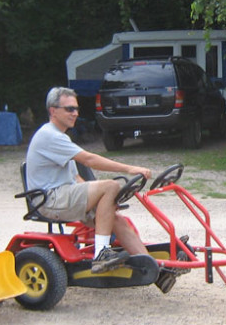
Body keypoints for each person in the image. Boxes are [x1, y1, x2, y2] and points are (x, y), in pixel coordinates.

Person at [26, 87, 152, 274]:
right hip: (49, 200)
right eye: (69, 109)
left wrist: (105, 203)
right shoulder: (49, 136)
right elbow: (89, 160)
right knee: (111, 185)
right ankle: (101, 253)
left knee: (117, 220)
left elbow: (75, 177)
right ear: (53, 111)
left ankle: (153, 268)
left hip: (62, 195)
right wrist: (129, 168)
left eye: (76, 109)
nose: (75, 113)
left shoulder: (60, 137)